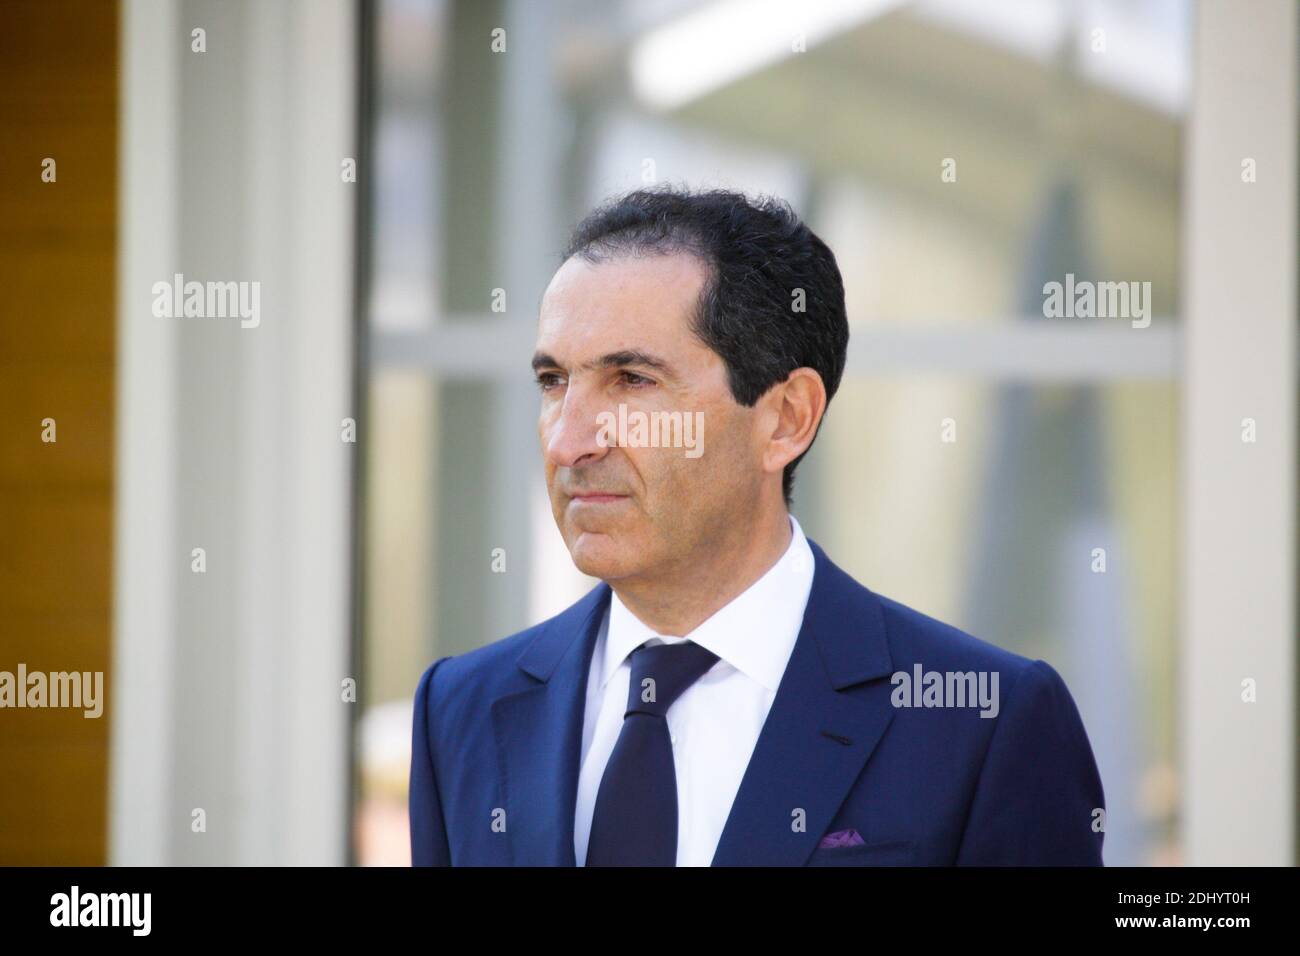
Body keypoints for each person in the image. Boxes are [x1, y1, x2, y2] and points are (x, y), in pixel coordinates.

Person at [409, 185, 1105, 866]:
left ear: (785, 419)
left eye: (632, 381)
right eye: (554, 381)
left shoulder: (982, 723)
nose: (569, 443)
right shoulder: (461, 712)